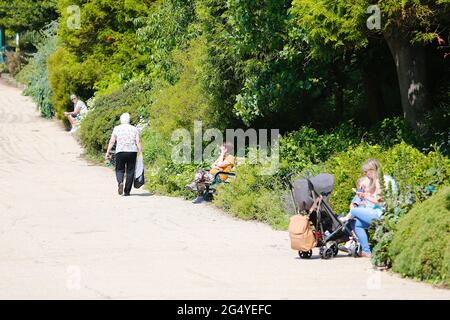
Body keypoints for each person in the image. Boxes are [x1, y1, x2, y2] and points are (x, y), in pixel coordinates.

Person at [339, 159, 389, 258]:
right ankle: (366, 251)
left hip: (381, 214)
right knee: (356, 224)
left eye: (366, 172)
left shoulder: (380, 182)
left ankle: (346, 220)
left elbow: (379, 201)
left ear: (372, 170)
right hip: (377, 212)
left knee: (354, 211)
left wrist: (365, 196)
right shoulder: (374, 182)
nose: (365, 174)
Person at [104, 113, 142, 196]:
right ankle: (127, 191)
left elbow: (112, 141)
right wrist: (140, 152)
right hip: (132, 152)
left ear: (121, 120)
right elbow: (138, 141)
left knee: (119, 169)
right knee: (130, 171)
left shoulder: (117, 128)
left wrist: (107, 152)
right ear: (129, 120)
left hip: (120, 151)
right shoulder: (134, 129)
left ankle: (120, 182)